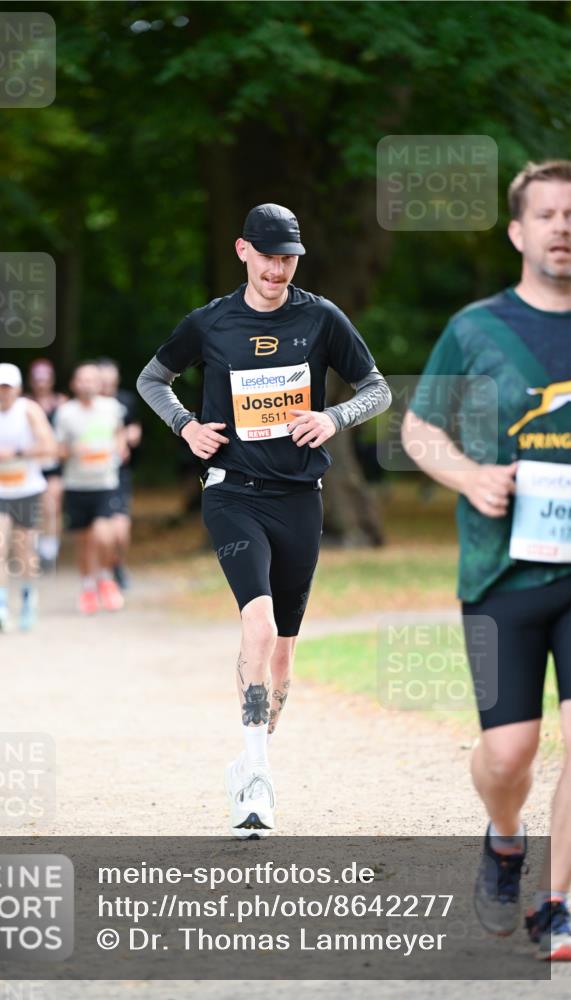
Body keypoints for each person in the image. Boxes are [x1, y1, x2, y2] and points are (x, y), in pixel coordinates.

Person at [137, 203, 391, 838]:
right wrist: (185, 426)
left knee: (281, 660)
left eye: (290, 258)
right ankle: (256, 780)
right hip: (232, 492)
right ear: (242, 251)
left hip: (300, 497)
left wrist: (333, 419)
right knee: (257, 621)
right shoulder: (211, 322)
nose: (279, 268)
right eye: (269, 255)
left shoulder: (321, 317)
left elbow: (378, 390)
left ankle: (253, 753)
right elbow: (152, 379)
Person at [402, 160, 571, 960]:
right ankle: (504, 836)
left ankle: (557, 902)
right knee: (511, 754)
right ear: (517, 232)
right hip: (500, 572)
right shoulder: (475, 328)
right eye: (546, 215)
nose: (562, 227)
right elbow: (417, 430)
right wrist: (468, 475)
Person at [0, 363, 57, 631]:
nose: (4, 392)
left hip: (27, 489)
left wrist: (15, 454)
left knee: (23, 549)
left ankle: (29, 599)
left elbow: (48, 446)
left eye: (8, 387)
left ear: (17, 388)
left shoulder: (28, 410)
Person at [54, 361, 127, 614]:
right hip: (76, 484)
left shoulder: (112, 408)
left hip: (105, 483)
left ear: (99, 383)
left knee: (104, 535)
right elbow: (59, 450)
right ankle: (87, 587)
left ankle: (106, 577)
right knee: (84, 541)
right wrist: (74, 451)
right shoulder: (65, 413)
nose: (87, 385)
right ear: (74, 384)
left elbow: (120, 433)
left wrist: (120, 447)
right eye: (81, 380)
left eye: (91, 380)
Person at [97, 357, 142, 590]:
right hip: (94, 475)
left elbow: (135, 427)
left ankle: (118, 564)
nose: (105, 383)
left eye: (109, 379)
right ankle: (102, 573)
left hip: (120, 472)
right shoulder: (89, 406)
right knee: (101, 530)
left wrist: (129, 436)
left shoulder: (126, 401)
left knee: (121, 530)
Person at [26, 358, 68, 570]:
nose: (41, 383)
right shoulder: (25, 404)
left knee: (53, 504)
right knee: (34, 507)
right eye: (37, 379)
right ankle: (33, 545)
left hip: (54, 462)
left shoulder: (61, 403)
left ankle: (50, 549)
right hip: (31, 463)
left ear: (51, 380)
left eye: (45, 379)